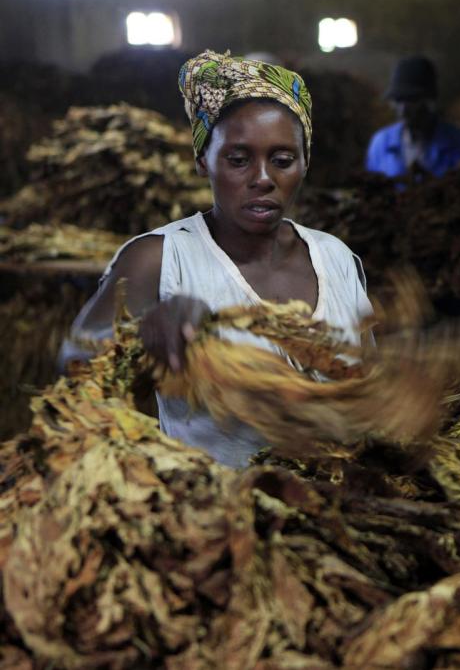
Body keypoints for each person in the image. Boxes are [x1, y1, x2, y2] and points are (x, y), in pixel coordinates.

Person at [60, 50, 373, 468]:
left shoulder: (334, 258)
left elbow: (369, 384)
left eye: (282, 161)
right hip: (216, 517)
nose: (263, 179)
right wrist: (139, 333)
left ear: (305, 162)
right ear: (202, 161)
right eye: (238, 160)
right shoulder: (160, 259)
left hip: (340, 512)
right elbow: (74, 358)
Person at [365, 56, 460, 179]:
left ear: (430, 101)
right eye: (398, 100)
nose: (403, 110)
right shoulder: (381, 144)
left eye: (411, 100)